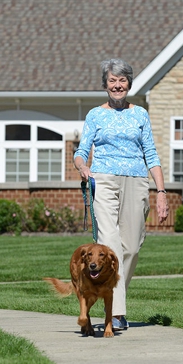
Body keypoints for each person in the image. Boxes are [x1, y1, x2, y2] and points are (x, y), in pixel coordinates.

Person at [73, 58, 169, 331]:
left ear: (129, 84)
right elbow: (81, 151)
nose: (117, 85)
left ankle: (112, 296)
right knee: (110, 245)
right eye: (112, 81)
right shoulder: (95, 115)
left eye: (122, 80)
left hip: (137, 180)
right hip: (102, 180)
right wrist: (83, 167)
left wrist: (161, 192)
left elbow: (151, 153)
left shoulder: (140, 114)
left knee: (131, 247)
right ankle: (116, 313)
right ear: (105, 85)